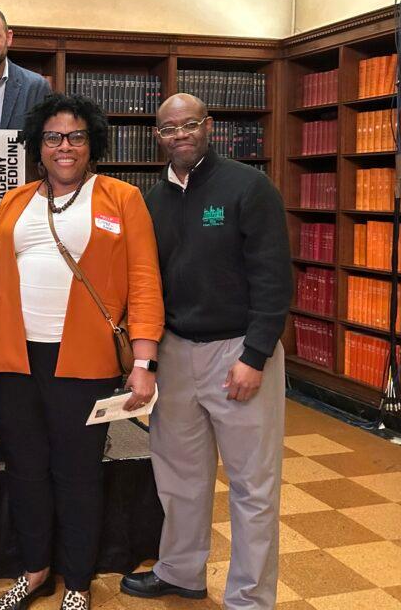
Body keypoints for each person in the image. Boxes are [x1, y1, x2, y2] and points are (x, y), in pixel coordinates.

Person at [0, 93, 164, 610]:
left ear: (92, 144)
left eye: (75, 136)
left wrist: (144, 363)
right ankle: (35, 571)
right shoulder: (16, 201)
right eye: (53, 137)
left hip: (84, 362)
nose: (64, 146)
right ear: (39, 145)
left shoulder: (122, 198)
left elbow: (144, 283)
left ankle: (77, 581)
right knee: (25, 468)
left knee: (78, 474)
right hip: (16, 359)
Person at [120, 93, 291, 609]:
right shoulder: (151, 201)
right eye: (169, 128)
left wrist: (255, 355)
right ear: (157, 136)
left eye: (189, 124)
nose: (180, 135)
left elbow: (274, 279)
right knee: (179, 476)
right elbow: (147, 283)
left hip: (238, 351)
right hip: (175, 352)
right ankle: (180, 571)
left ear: (209, 126)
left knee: (252, 486)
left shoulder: (248, 187)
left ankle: (249, 598)